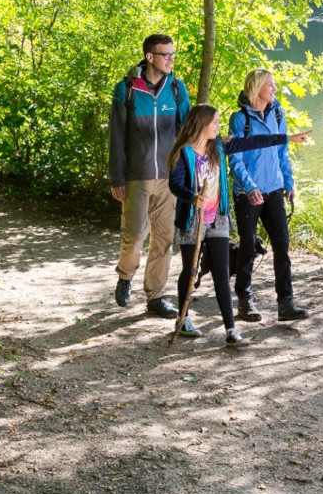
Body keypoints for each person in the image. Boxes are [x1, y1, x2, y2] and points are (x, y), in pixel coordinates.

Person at [167, 104, 304, 346]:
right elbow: (175, 184)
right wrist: (192, 197)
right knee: (190, 271)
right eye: (215, 123)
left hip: (218, 218)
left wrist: (288, 138)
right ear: (202, 124)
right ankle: (184, 318)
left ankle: (231, 330)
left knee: (221, 274)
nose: (219, 127)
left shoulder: (218, 146)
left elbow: (253, 142)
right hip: (193, 220)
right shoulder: (184, 153)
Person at [109, 34, 189, 317]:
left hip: (169, 177)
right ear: (150, 57)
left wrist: (188, 172)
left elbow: (187, 135)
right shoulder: (127, 90)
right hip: (137, 176)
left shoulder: (177, 90)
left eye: (172, 54)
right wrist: (116, 178)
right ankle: (125, 275)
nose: (170, 59)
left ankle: (155, 296)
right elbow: (116, 138)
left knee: (164, 238)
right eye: (165, 55)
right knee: (134, 233)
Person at [227, 69, 307, 322]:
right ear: (257, 87)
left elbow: (283, 152)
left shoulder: (277, 113)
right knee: (248, 248)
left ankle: (286, 303)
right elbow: (235, 160)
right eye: (270, 85)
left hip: (274, 190)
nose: (274, 89)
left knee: (282, 246)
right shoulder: (240, 120)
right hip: (247, 194)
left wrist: (288, 182)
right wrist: (250, 188)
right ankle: (245, 300)